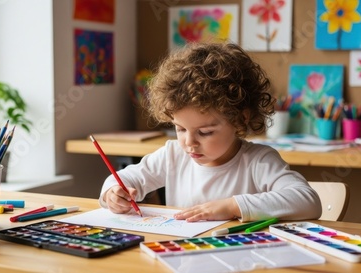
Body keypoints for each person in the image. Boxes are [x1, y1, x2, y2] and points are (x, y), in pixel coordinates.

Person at [99, 42, 322, 222]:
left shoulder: (258, 161)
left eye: (205, 132)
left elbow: (308, 201)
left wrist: (232, 206)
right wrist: (114, 193)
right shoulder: (173, 155)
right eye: (180, 128)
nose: (189, 142)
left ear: (240, 119)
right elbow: (125, 178)